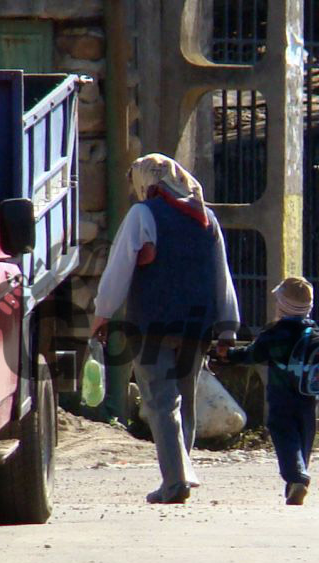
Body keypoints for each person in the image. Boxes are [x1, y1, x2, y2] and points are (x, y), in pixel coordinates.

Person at [91, 153, 239, 504]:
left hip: (153, 324)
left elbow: (119, 268)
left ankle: (176, 480)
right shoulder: (207, 218)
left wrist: (103, 313)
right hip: (197, 326)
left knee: (160, 401)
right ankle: (181, 472)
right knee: (183, 401)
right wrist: (228, 325)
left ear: (149, 181)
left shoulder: (143, 215)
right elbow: (223, 275)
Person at [219, 276, 319, 506]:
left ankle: (296, 478)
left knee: (284, 434)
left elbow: (252, 354)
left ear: (283, 306)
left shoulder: (276, 333)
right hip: (309, 397)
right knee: (304, 436)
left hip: (281, 395)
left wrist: (228, 356)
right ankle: (298, 478)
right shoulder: (314, 333)